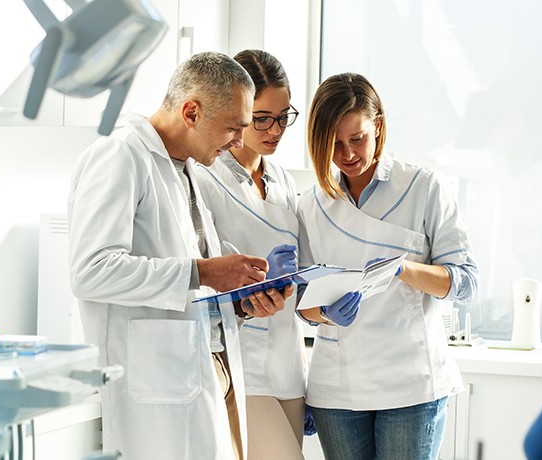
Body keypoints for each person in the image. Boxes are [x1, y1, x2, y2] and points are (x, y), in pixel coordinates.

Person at [67, 51, 294, 460]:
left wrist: (243, 300)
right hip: (159, 380)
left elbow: (194, 286)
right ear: (191, 111)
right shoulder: (120, 156)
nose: (239, 143)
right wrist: (203, 272)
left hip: (210, 367)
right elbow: (91, 271)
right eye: (233, 128)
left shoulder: (184, 166)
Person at [296, 73, 479, 460]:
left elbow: (465, 282)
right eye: (334, 143)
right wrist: (325, 313)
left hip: (410, 386)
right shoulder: (311, 205)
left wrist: (404, 270)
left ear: (378, 126)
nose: (347, 154)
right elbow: (302, 303)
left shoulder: (423, 188)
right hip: (338, 389)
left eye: (357, 138)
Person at [194, 49, 307, 460]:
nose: (275, 129)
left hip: (288, 367)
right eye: (262, 118)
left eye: (283, 116)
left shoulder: (283, 181)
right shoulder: (206, 177)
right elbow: (198, 279)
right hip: (240, 365)